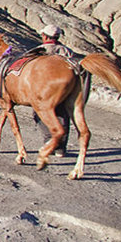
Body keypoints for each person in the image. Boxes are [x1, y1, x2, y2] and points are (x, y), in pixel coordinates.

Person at [33, 24, 75, 156]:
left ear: (45, 36)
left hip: (44, 90)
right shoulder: (66, 51)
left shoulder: (39, 51)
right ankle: (61, 148)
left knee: (39, 113)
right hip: (65, 90)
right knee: (63, 114)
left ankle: (49, 141)